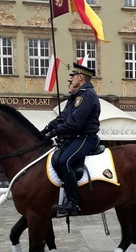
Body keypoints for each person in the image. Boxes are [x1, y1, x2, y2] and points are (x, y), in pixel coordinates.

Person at [42, 62, 101, 217]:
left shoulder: (86, 96)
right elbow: (63, 117)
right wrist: (46, 129)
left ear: (80, 77)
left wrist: (55, 132)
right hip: (76, 137)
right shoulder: (77, 96)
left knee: (65, 161)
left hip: (85, 138)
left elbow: (74, 123)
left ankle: (73, 203)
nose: (72, 79)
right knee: (58, 158)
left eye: (73, 76)